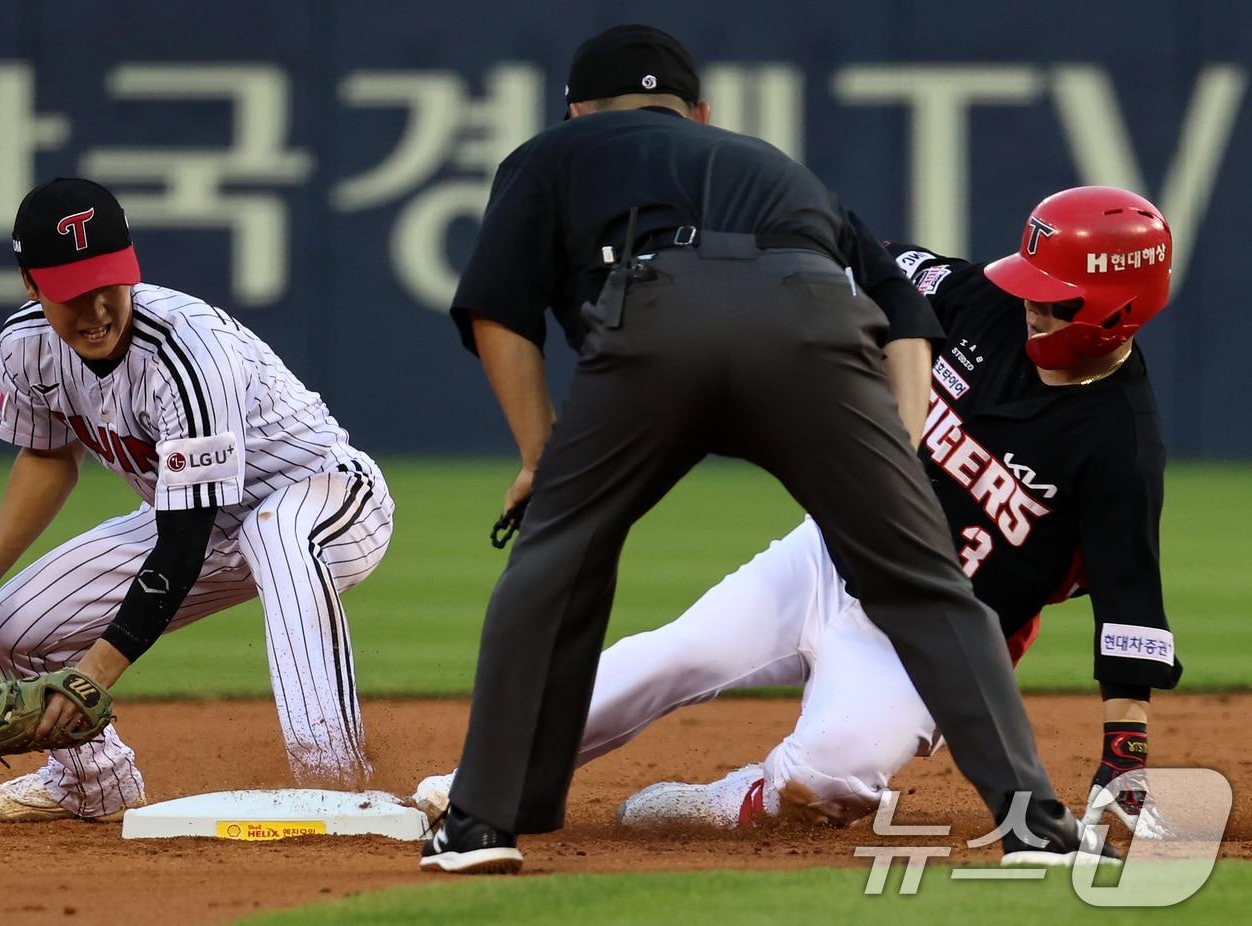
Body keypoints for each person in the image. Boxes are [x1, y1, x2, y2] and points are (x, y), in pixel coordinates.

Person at [420, 24, 1094, 874]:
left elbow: (496, 312)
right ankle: (1033, 819)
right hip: (815, 330)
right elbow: (906, 313)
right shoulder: (772, 165)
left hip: (655, 317)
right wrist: (898, 452)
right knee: (925, 581)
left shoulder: (556, 152)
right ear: (699, 114)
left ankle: (484, 820)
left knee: (558, 560)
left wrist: (539, 458)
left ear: (576, 112)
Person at [0, 178, 394, 822]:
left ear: (131, 269)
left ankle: (339, 785)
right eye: (70, 293)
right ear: (31, 285)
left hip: (325, 495)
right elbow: (48, 456)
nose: (95, 311)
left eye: (107, 284)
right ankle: (95, 784)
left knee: (276, 534)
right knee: (11, 628)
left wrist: (99, 669)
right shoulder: (25, 347)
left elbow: (182, 544)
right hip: (190, 517)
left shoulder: (187, 353)